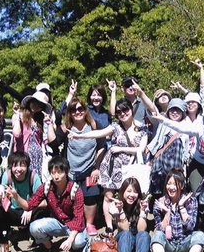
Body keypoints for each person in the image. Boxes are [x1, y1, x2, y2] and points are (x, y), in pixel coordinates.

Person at [48, 98, 112, 235]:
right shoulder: (66, 127)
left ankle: (89, 224)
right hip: (71, 171)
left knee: (91, 196)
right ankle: (73, 222)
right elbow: (53, 143)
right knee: (69, 198)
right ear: (69, 113)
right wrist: (49, 124)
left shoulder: (94, 125)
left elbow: (102, 146)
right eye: (73, 109)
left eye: (80, 109)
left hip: (90, 170)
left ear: (85, 110)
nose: (77, 112)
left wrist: (97, 167)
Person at [19, 156, 88, 252]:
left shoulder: (75, 190)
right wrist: (16, 196)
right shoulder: (47, 187)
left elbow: (78, 219)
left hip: (74, 225)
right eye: (53, 173)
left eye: (59, 172)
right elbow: (29, 205)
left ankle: (77, 247)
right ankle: (48, 247)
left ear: (67, 172)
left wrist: (70, 239)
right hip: (58, 222)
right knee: (34, 227)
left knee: (77, 242)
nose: (56, 176)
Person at [144, 169, 204, 252]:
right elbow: (160, 229)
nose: (171, 187)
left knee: (200, 235)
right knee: (157, 235)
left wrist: (182, 207)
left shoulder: (191, 201)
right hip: (169, 243)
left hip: (184, 243)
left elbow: (190, 227)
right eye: (169, 183)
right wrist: (167, 213)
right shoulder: (159, 203)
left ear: (181, 185)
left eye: (174, 184)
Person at [99, 98, 149, 232]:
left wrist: (121, 149)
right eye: (119, 112)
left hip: (131, 166)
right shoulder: (115, 127)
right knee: (108, 196)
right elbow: (99, 133)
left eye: (125, 110)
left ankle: (127, 222)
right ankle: (109, 226)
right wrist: (80, 136)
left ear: (131, 110)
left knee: (129, 194)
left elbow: (141, 149)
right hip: (112, 164)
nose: (122, 113)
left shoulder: (142, 128)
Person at [0, 151, 47, 252]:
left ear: (27, 166)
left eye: (22, 165)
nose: (18, 169)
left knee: (43, 212)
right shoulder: (7, 176)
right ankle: (4, 237)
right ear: (11, 167)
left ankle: (37, 238)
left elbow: (45, 202)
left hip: (28, 212)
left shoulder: (34, 177)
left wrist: (30, 208)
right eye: (15, 166)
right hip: (12, 211)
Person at [145, 98, 189, 199]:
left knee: (173, 193)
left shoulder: (186, 128)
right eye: (172, 110)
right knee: (157, 193)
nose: (174, 113)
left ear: (183, 113)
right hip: (159, 165)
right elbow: (152, 109)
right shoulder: (163, 123)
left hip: (175, 166)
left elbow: (186, 152)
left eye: (178, 110)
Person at [109, 177, 150, 252]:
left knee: (145, 235)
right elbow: (125, 228)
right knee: (126, 233)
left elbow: (141, 229)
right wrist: (121, 210)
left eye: (135, 192)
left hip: (137, 238)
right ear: (122, 191)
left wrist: (142, 211)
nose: (132, 195)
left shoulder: (142, 204)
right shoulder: (114, 205)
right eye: (129, 191)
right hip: (123, 238)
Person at [12, 90, 55, 179]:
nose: (36, 106)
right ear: (30, 102)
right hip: (23, 156)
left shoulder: (40, 121)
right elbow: (16, 134)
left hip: (38, 158)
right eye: (35, 102)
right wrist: (17, 116)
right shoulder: (20, 116)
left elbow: (50, 140)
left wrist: (49, 123)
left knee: (35, 183)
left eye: (40, 105)